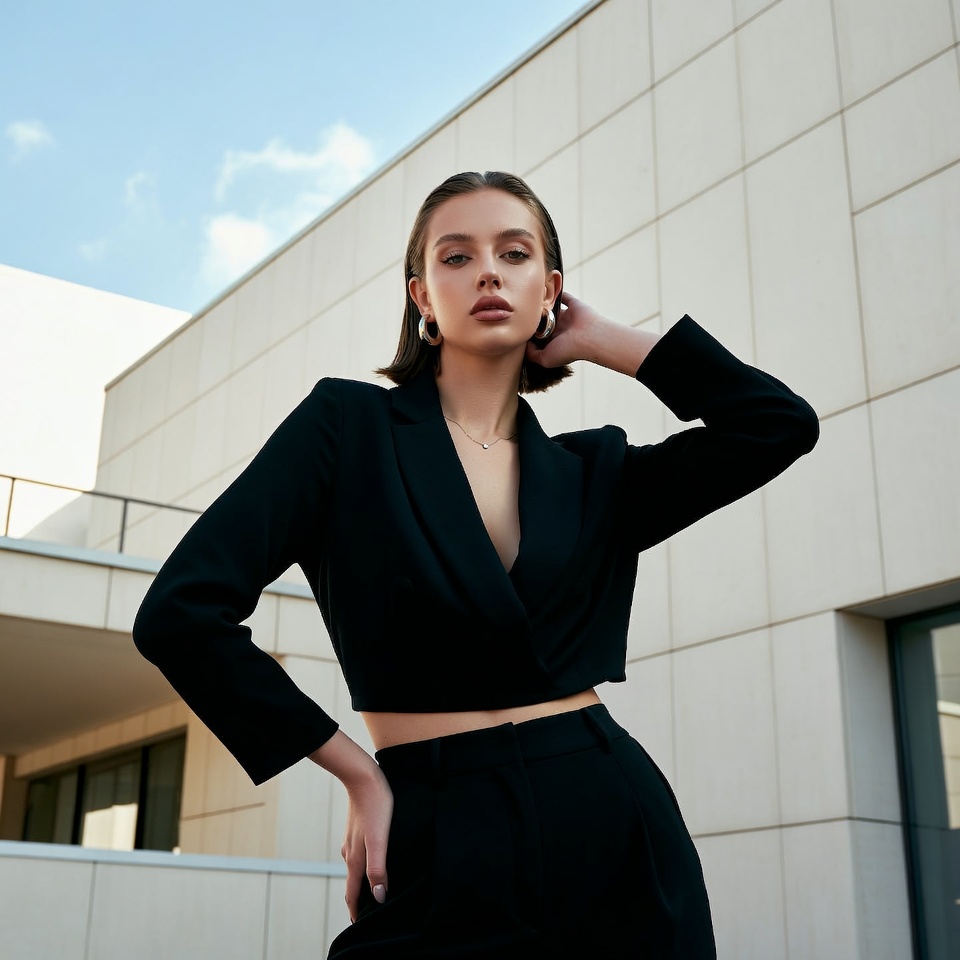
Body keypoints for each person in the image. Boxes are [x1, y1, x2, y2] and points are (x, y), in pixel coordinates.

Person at [133, 171, 819, 958]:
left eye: (515, 253)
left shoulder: (595, 472)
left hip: (607, 813)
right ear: (422, 296)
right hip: (433, 814)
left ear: (549, 288)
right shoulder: (346, 428)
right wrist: (356, 771)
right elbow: (181, 616)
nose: (488, 271)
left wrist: (604, 341)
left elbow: (777, 425)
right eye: (456, 257)